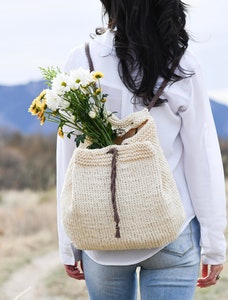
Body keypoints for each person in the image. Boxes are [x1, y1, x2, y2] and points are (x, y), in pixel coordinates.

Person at [56, 1, 227, 299]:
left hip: (101, 233)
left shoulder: (80, 60)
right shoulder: (183, 64)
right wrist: (214, 244)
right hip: (172, 229)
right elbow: (203, 160)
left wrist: (67, 241)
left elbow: (69, 157)